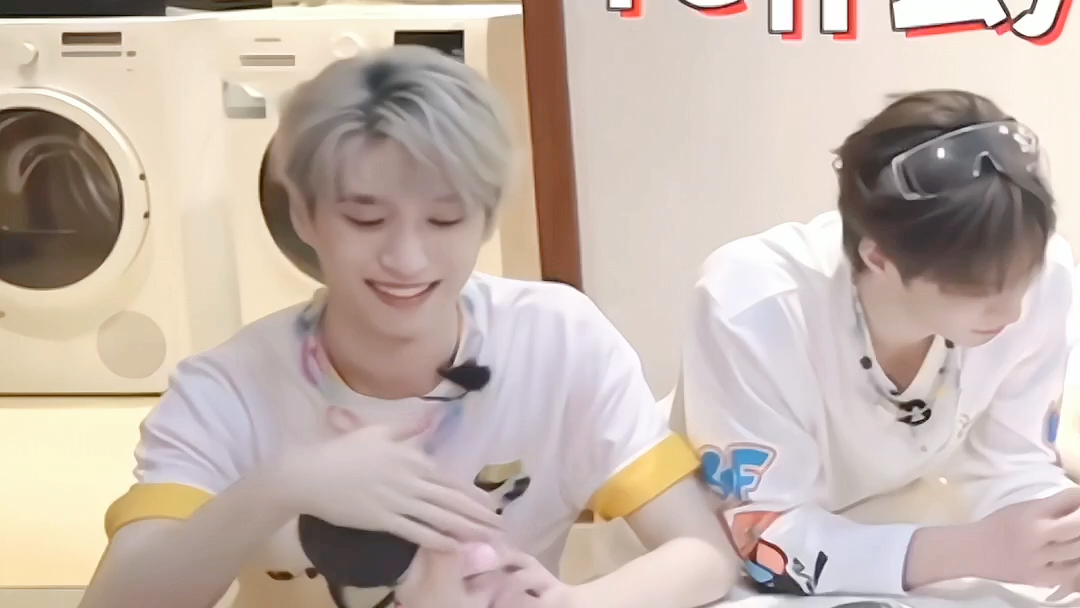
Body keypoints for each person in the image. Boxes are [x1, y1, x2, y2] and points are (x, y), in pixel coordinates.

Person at [79, 45, 738, 608]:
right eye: (365, 220)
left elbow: (704, 554)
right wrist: (284, 486)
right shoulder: (227, 390)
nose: (407, 259)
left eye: (444, 220)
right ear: (304, 216)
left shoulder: (558, 341)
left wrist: (568, 604)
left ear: (486, 219)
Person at [675, 89, 1080, 598]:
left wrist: (1062, 538)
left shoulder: (1042, 272)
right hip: (719, 546)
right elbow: (763, 541)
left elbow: (1012, 464)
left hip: (900, 520)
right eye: (977, 292)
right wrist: (974, 550)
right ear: (879, 259)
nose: (1013, 312)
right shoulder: (754, 306)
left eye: (1024, 280)